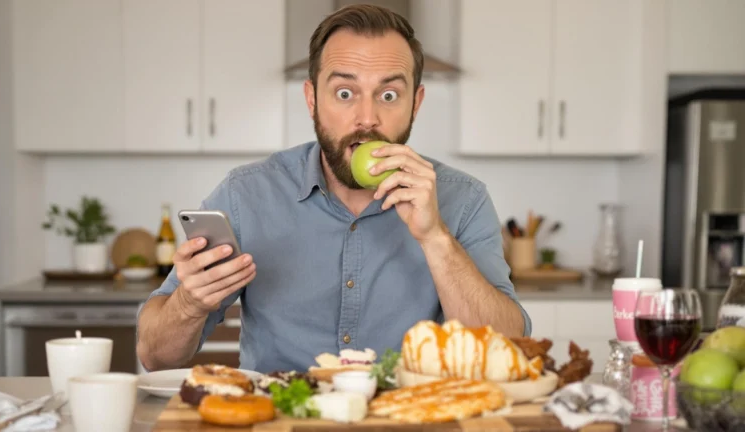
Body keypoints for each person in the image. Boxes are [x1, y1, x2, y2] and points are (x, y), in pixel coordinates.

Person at [136, 4, 531, 374]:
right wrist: (189, 303)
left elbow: (508, 350)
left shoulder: (462, 199)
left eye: (389, 95)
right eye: (345, 93)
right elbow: (154, 356)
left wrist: (435, 238)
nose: (367, 118)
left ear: (416, 103)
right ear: (311, 100)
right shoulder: (246, 196)